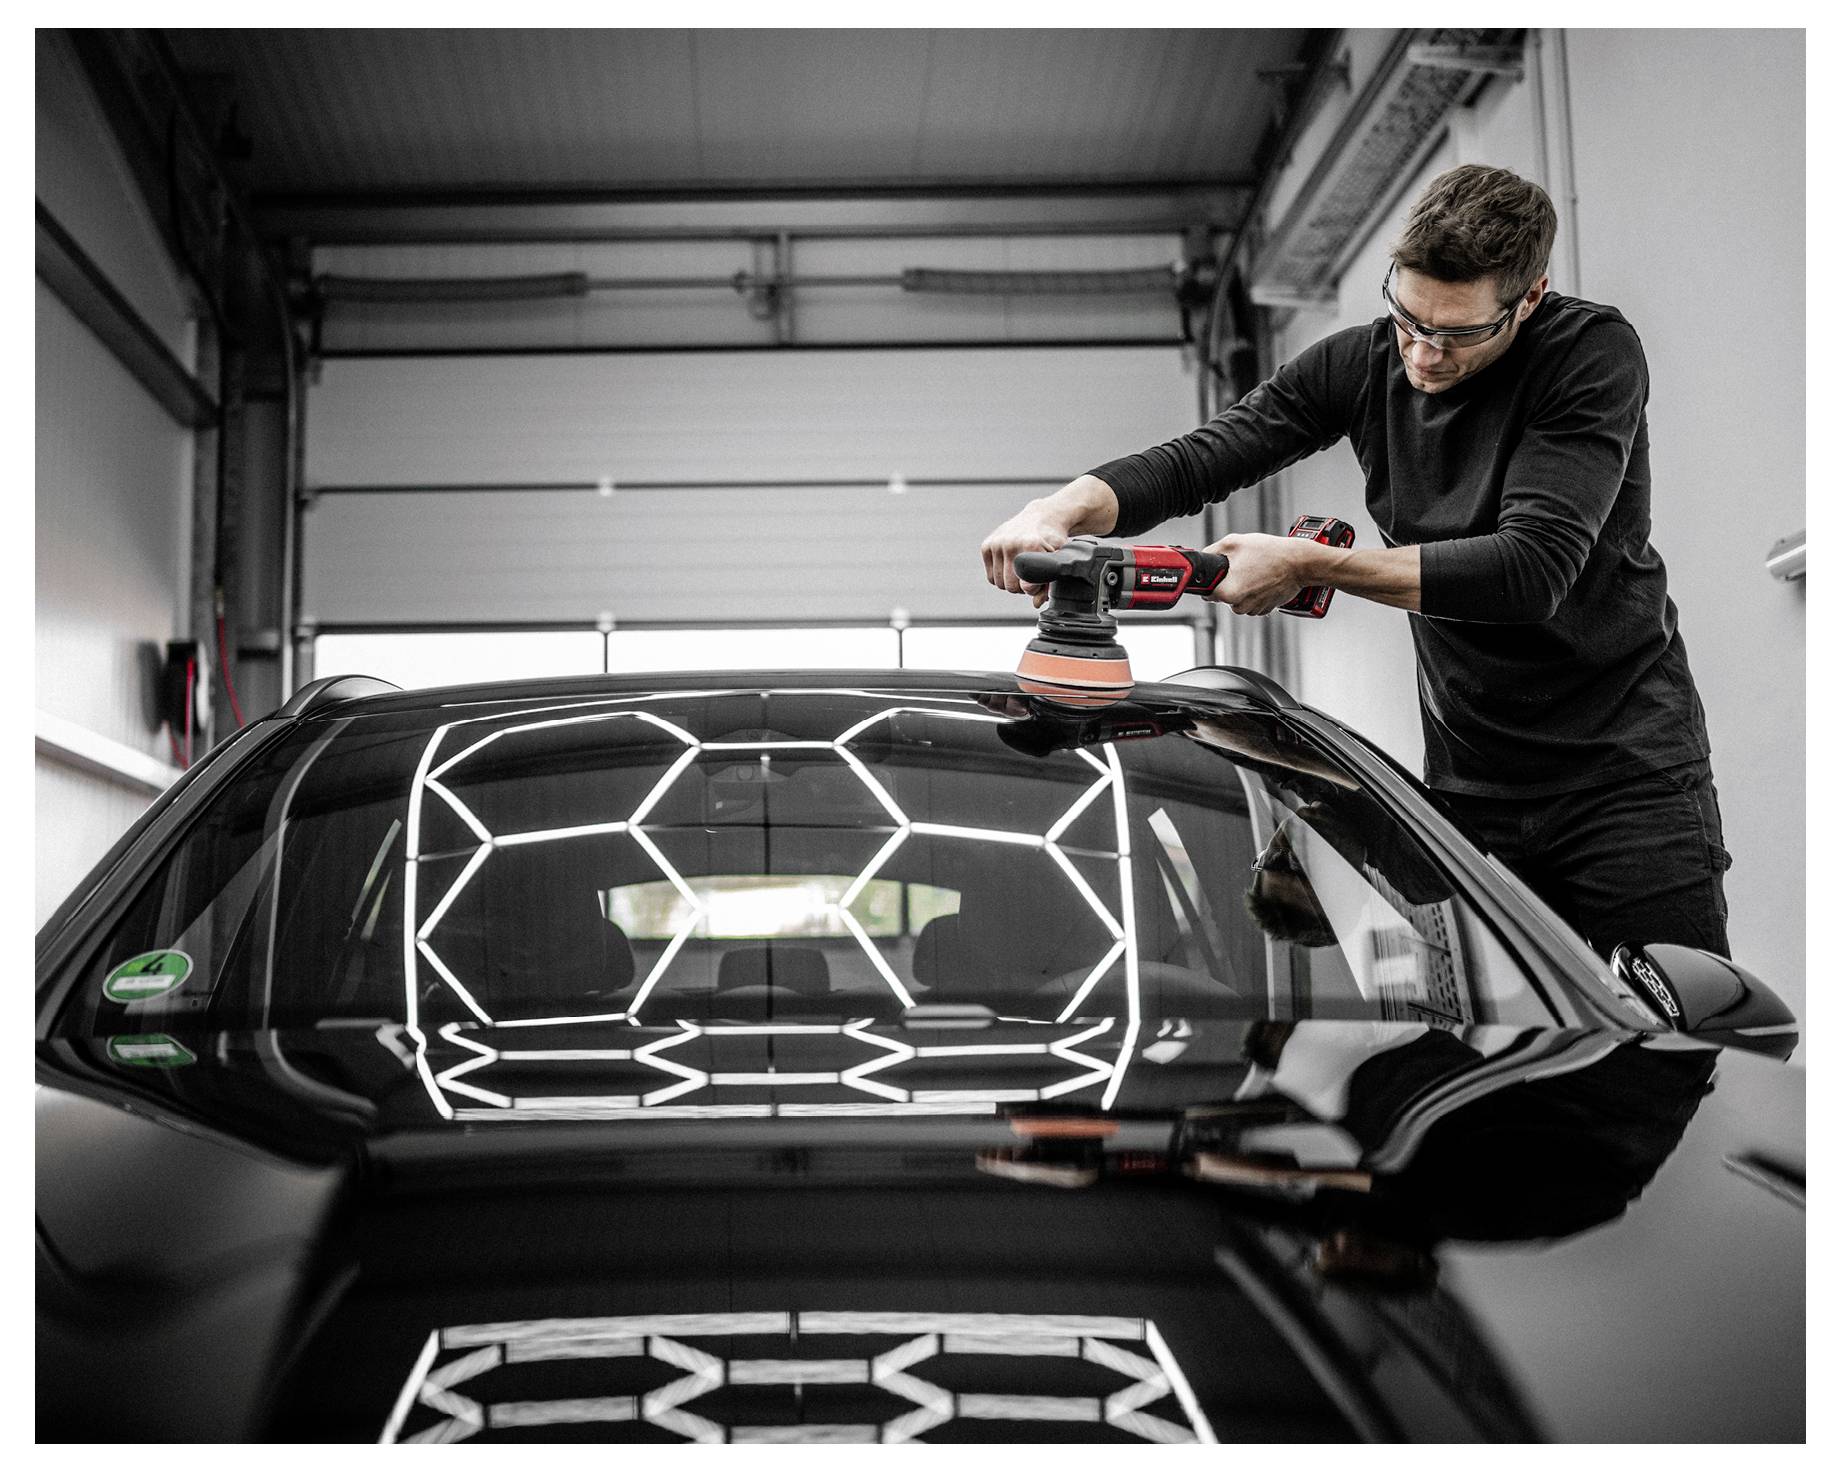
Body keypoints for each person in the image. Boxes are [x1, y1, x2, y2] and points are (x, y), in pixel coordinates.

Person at [980, 164, 1730, 959]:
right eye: (1408, 319)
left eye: (1458, 333)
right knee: (1495, 1046)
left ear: (1529, 298)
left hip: (1626, 781)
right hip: (1468, 784)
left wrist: (1311, 565)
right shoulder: (1361, 363)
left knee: (1671, 1041)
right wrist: (1057, 508)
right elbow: (1199, 459)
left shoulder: (1586, 355)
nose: (1424, 354)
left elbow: (1529, 572)